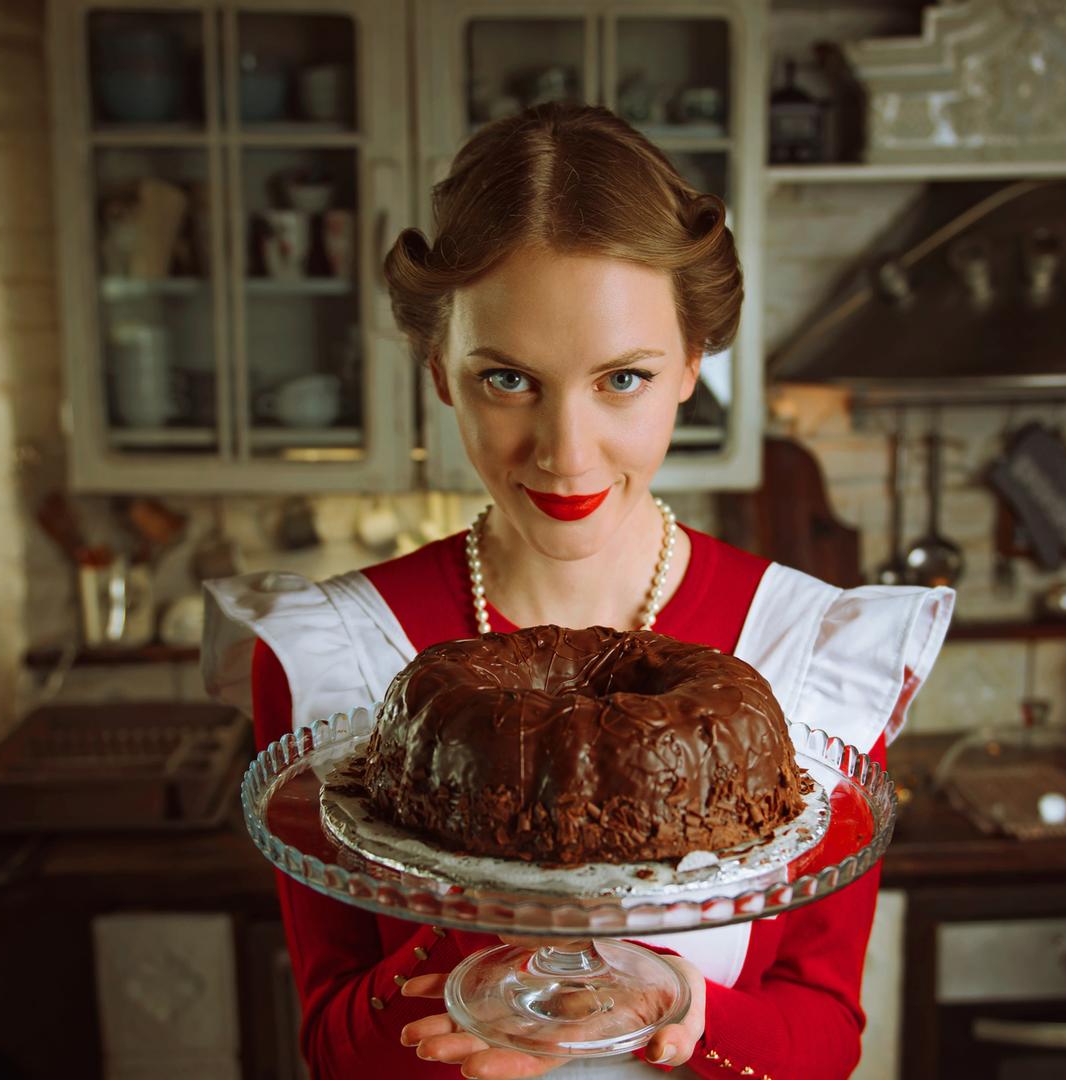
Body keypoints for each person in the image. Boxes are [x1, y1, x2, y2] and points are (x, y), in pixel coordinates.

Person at [204, 102, 953, 1079]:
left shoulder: (810, 650)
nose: (565, 452)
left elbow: (824, 1036)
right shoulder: (332, 654)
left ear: (692, 363)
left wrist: (682, 1007)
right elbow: (331, 1047)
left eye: (623, 379)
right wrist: (482, 952)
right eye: (508, 379)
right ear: (439, 371)